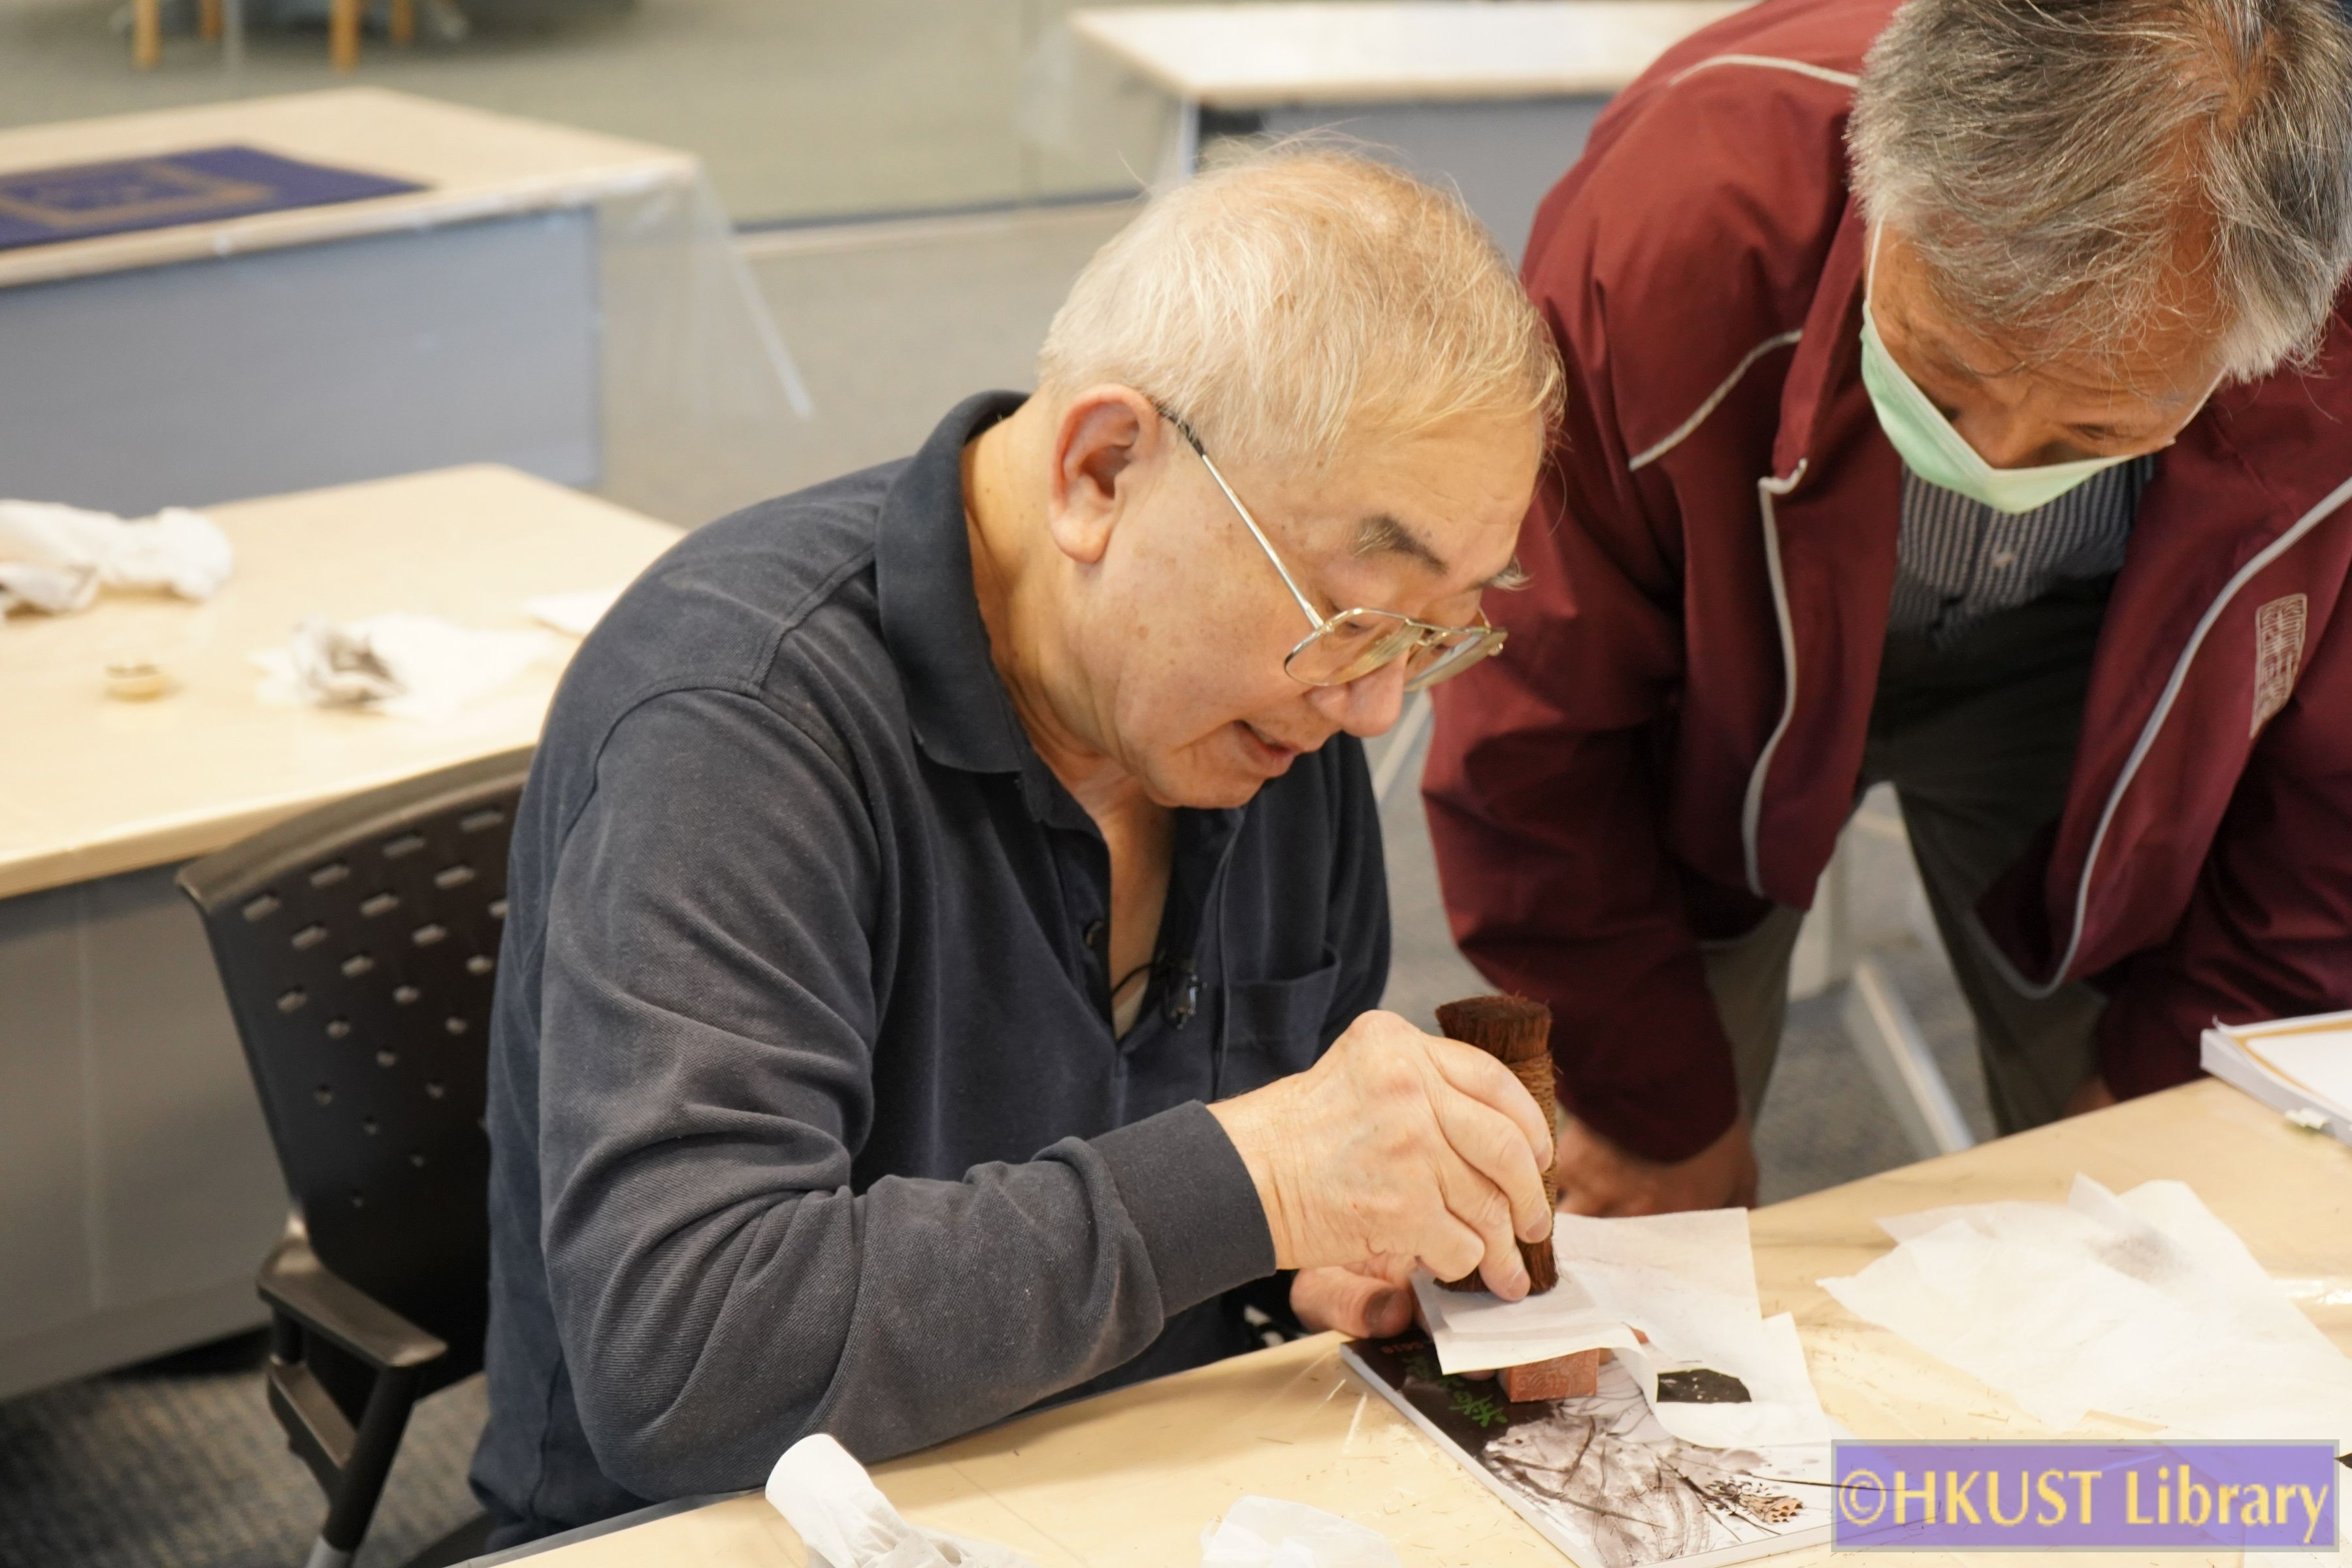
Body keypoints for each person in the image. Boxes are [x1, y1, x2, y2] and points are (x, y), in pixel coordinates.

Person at [470, 147, 1567, 1543]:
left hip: (1138, 1491)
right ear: (1101, 471)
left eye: (1436, 633)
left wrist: (1316, 1256)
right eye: (1354, 617)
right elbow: (687, 1357)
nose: (1373, 707)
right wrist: (1263, 1178)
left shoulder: (1264, 719)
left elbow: (1205, 1212)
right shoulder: (739, 722)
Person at [1427, 0, 2352, 1214]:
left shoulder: (2328, 343)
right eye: (1945, 373)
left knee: (2174, 1187)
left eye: (2094, 429)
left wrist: (2175, 1065)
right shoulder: (1676, 221)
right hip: (1713, 652)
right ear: (1886, 190)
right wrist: (1653, 1105)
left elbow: (2333, 795)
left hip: (2101, 667)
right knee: (1644, 1173)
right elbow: (1533, 719)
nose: (1996, 461)